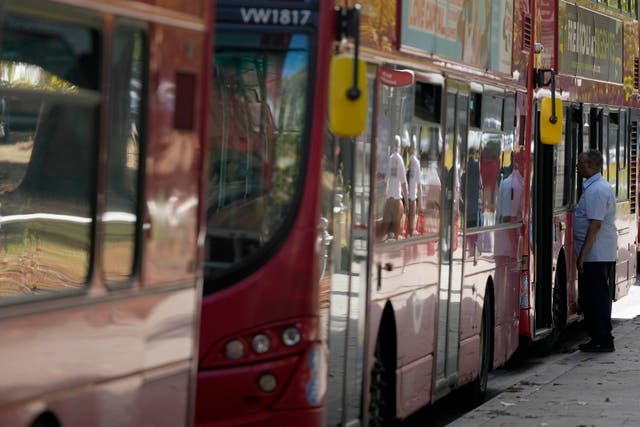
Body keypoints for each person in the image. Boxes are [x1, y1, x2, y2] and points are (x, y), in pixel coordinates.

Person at [574, 150, 617, 353]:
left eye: (581, 163)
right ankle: (598, 337)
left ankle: (603, 338)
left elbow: (595, 225)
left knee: (595, 298)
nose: (577, 166)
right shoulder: (594, 187)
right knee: (592, 297)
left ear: (591, 165)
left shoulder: (597, 190)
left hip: (596, 254)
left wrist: (582, 254)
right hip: (597, 253)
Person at [380, 135, 408, 240]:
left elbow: (385, 181)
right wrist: (407, 202)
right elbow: (404, 183)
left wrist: (385, 195)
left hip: (389, 199)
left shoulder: (390, 158)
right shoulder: (400, 160)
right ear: (400, 147)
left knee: (384, 229)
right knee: (397, 231)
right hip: (397, 200)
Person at [407, 145, 422, 235]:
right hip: (412, 197)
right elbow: (419, 184)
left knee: (408, 224)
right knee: (412, 226)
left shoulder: (410, 162)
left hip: (408, 196)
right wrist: (420, 202)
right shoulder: (416, 162)